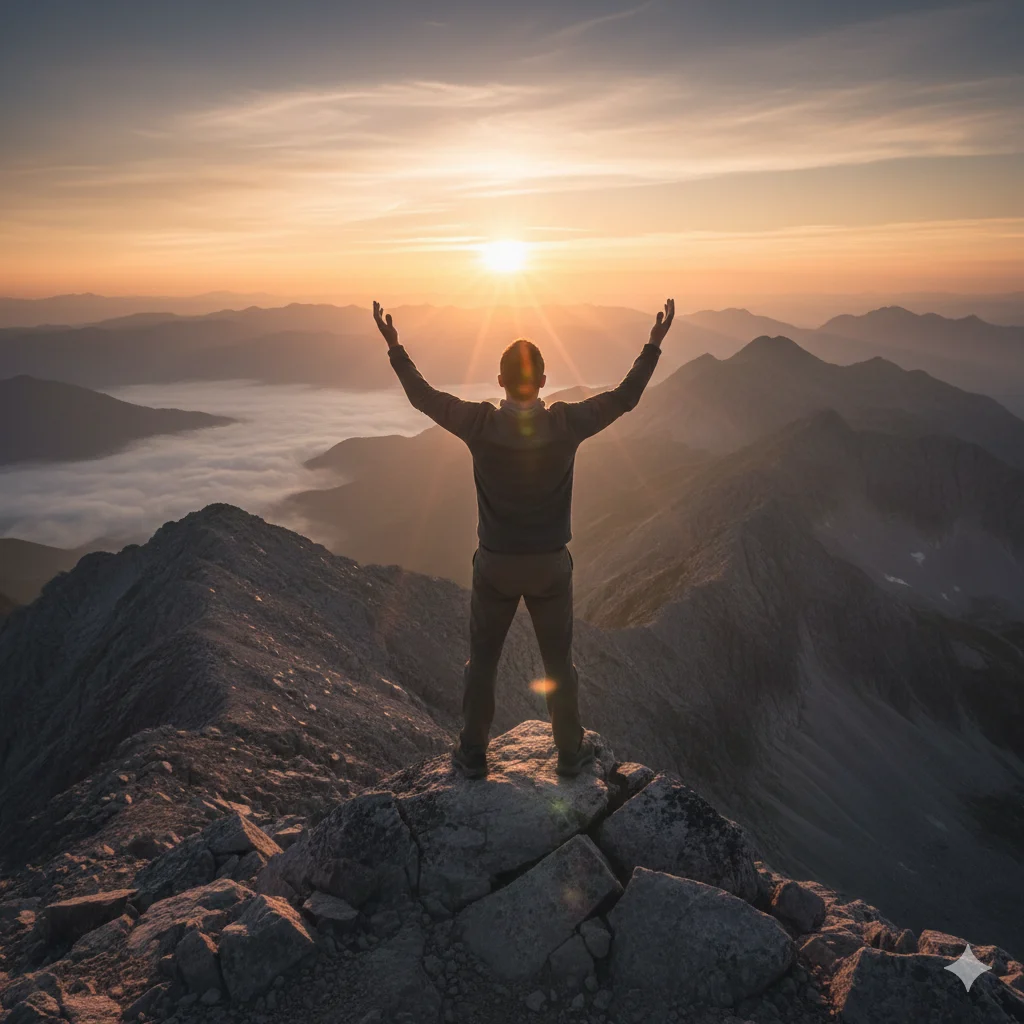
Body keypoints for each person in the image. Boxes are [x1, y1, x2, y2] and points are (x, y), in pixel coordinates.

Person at [373, 298, 675, 778]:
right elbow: (624, 397)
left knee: (483, 663)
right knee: (559, 664)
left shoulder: (479, 424)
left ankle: (473, 752)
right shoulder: (564, 424)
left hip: (495, 563)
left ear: (499, 382)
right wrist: (653, 344)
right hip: (550, 566)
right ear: (544, 381)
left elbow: (423, 397)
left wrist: (395, 347)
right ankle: (570, 752)